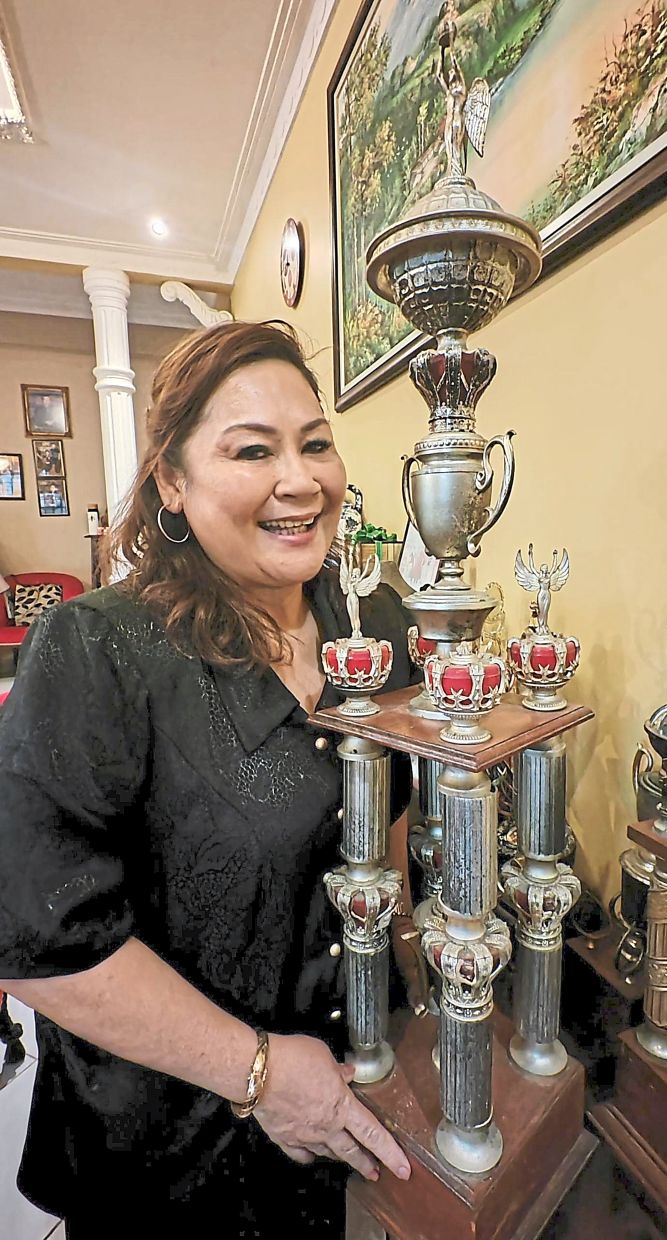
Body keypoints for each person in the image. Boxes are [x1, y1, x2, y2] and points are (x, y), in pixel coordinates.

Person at [0, 321, 424, 1237]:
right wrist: (263, 1074)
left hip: (356, 1097)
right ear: (173, 484)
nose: (299, 480)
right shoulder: (99, 648)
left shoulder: (374, 619)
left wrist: (418, 973)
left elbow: (390, 814)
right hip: (172, 1144)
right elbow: (37, 939)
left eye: (316, 443)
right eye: (251, 451)